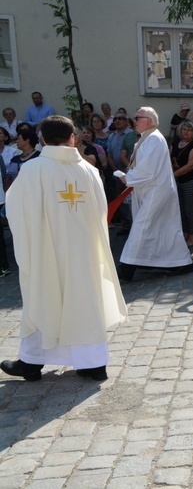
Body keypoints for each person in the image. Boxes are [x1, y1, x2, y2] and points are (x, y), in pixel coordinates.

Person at [1, 115, 127, 382]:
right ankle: (93, 364)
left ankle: (32, 363)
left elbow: (15, 209)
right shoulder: (89, 171)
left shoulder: (33, 170)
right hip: (83, 252)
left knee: (43, 298)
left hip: (46, 251)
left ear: (43, 140)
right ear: (73, 138)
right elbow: (101, 214)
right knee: (84, 302)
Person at [117, 107, 193, 282]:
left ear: (149, 121)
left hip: (156, 190)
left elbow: (148, 168)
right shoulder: (147, 138)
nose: (134, 120)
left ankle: (127, 267)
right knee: (164, 227)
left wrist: (128, 178)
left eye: (138, 117)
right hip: (151, 189)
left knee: (141, 225)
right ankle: (179, 262)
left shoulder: (154, 139)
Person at [171, 120, 193, 247]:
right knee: (180, 210)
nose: (186, 132)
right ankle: (185, 233)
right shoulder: (175, 143)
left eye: (189, 130)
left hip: (190, 181)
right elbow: (170, 158)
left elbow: (191, 165)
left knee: (189, 209)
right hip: (177, 181)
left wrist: (174, 174)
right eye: (184, 129)